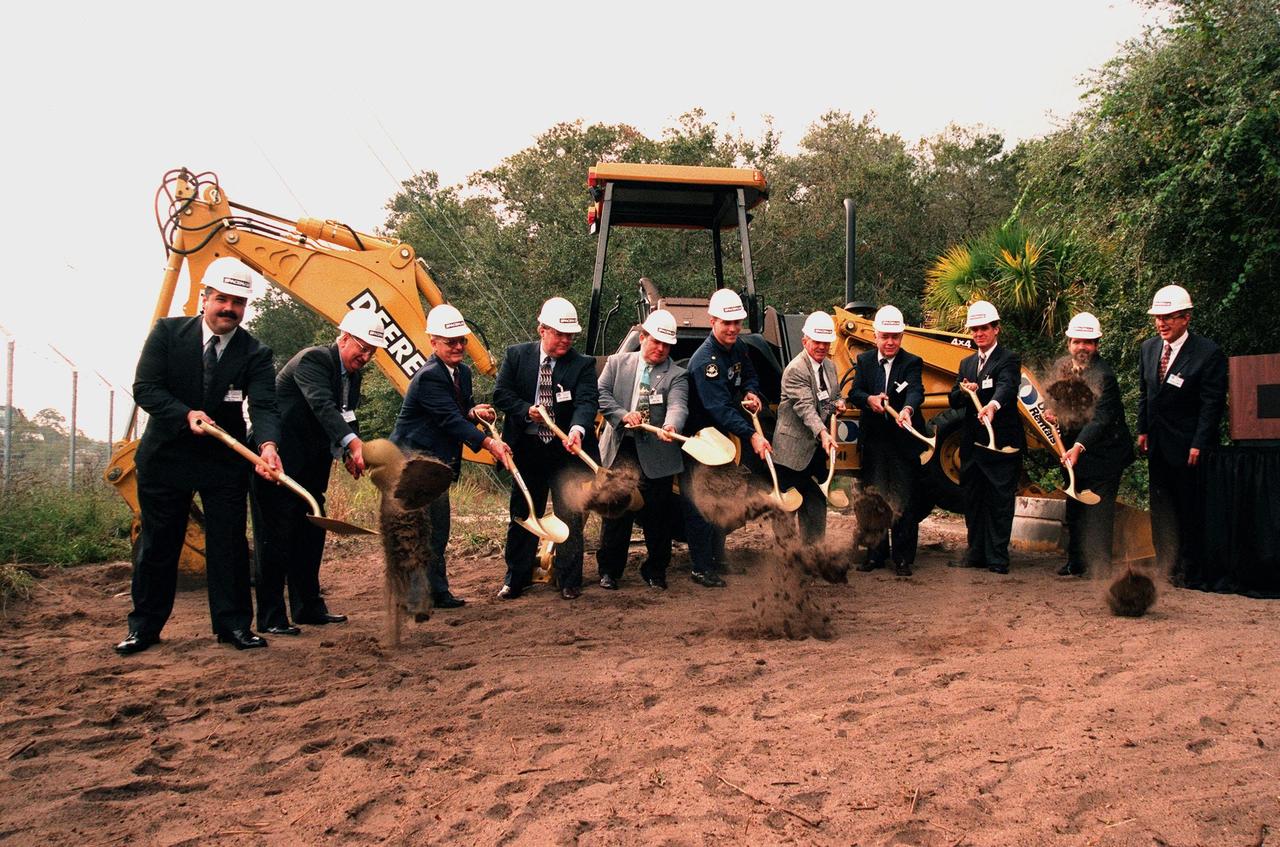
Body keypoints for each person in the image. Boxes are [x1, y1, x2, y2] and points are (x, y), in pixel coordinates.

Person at [115, 257, 281, 655]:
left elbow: (264, 406)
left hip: (223, 462)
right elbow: (146, 387)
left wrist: (268, 447)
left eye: (238, 302)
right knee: (159, 544)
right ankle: (145, 627)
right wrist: (184, 414)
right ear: (204, 298)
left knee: (228, 544)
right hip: (166, 456)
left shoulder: (255, 351)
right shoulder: (168, 334)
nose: (229, 308)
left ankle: (234, 626)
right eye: (222, 298)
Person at [250, 307, 385, 635]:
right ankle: (271, 618)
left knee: (310, 534)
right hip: (277, 461)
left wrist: (348, 454)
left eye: (372, 351)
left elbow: (346, 414)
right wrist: (354, 445)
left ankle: (308, 607)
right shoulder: (314, 361)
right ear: (343, 338)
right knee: (275, 537)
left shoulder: (353, 376)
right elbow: (321, 405)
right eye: (362, 348)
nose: (365, 356)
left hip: (312, 464)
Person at [390, 304, 512, 608]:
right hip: (413, 463)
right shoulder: (430, 376)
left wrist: (474, 411)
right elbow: (449, 420)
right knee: (418, 531)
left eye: (462, 341)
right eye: (450, 342)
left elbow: (458, 411)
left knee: (438, 530)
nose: (458, 347)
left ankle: (437, 592)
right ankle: (414, 597)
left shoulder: (463, 372)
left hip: (435, 464)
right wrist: (489, 443)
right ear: (433, 342)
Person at [493, 296, 599, 600]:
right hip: (527, 450)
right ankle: (516, 578)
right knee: (525, 513)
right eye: (559, 334)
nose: (566, 340)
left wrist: (577, 430)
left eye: (570, 335)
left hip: (565, 451)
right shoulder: (516, 357)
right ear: (542, 329)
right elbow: (501, 394)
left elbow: (587, 402)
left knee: (570, 515)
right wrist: (527, 410)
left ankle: (568, 580)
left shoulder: (582, 364)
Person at [1136, 284, 1227, 585]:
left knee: (1189, 508)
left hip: (1189, 447)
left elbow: (1211, 405)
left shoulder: (1208, 354)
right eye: (1158, 318)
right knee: (1161, 509)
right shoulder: (1149, 349)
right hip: (1158, 445)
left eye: (1169, 317)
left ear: (1186, 318)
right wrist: (1142, 430)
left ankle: (1189, 569)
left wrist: (1199, 443)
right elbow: (1145, 394)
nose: (1162, 324)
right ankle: (1165, 566)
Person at [682, 288, 772, 588]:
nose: (732, 328)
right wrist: (752, 437)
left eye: (736, 323)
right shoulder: (704, 361)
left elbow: (750, 375)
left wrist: (752, 393)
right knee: (703, 503)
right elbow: (718, 408)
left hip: (726, 439)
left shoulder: (739, 347)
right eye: (726, 323)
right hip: (704, 440)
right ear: (712, 321)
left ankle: (718, 559)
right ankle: (700, 567)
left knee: (722, 501)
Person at [595, 310, 688, 590]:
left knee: (658, 514)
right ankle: (610, 571)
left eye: (667, 345)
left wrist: (671, 425)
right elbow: (601, 395)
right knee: (616, 511)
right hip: (622, 447)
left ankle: (656, 570)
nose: (661, 349)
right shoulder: (617, 363)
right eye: (656, 341)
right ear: (643, 336)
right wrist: (623, 415)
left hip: (658, 453)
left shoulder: (677, 375)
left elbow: (678, 405)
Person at [1046, 312, 1134, 577]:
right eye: (1077, 341)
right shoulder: (1062, 366)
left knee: (1098, 511)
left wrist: (1079, 447)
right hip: (1072, 453)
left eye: (1088, 342)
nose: (1082, 347)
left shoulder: (1104, 375)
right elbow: (1058, 400)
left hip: (1105, 454)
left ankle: (1100, 568)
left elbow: (1100, 419)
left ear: (1097, 344)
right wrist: (1054, 413)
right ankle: (1076, 562)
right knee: (1074, 507)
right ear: (1069, 343)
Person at [946, 300, 1025, 574]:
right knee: (974, 499)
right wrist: (964, 390)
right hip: (972, 445)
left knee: (1000, 501)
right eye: (975, 329)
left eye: (984, 328)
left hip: (1000, 444)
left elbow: (1007, 387)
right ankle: (976, 552)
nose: (979, 334)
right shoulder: (967, 363)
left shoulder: (1008, 359)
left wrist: (992, 405)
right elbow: (953, 399)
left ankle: (997, 557)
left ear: (996, 329)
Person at [849, 305, 926, 576]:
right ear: (875, 336)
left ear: (902, 336)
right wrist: (869, 400)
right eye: (885, 336)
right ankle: (875, 555)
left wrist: (907, 410)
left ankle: (903, 558)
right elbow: (855, 392)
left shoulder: (912, 362)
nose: (890, 342)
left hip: (903, 445)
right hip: (874, 445)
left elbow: (916, 391)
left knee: (903, 500)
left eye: (895, 336)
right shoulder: (866, 361)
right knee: (875, 500)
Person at [771, 311, 843, 545]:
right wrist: (823, 433)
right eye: (817, 341)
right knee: (786, 508)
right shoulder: (795, 370)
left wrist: (838, 403)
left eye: (826, 342)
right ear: (805, 341)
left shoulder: (830, 367)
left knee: (815, 506)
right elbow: (806, 408)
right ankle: (786, 560)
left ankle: (812, 557)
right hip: (791, 452)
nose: (821, 346)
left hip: (816, 453)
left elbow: (828, 399)